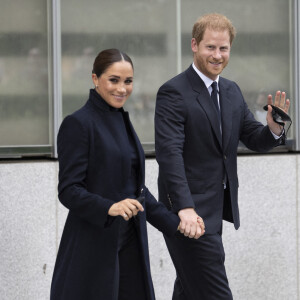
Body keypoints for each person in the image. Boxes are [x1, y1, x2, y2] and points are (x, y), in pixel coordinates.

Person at [50, 48, 204, 300]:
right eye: (114, 80)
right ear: (95, 79)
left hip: (131, 244)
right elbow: (68, 190)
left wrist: (177, 225)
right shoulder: (78, 123)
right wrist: (109, 207)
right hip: (93, 248)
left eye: (128, 81)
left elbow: (137, 191)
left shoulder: (122, 121)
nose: (122, 88)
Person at [154, 13, 290, 300]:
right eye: (210, 47)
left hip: (214, 213)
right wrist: (184, 208)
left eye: (223, 48)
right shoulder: (173, 92)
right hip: (186, 215)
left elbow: (253, 137)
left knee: (191, 290)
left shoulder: (230, 91)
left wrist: (274, 128)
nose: (217, 55)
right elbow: (169, 156)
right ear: (194, 45)